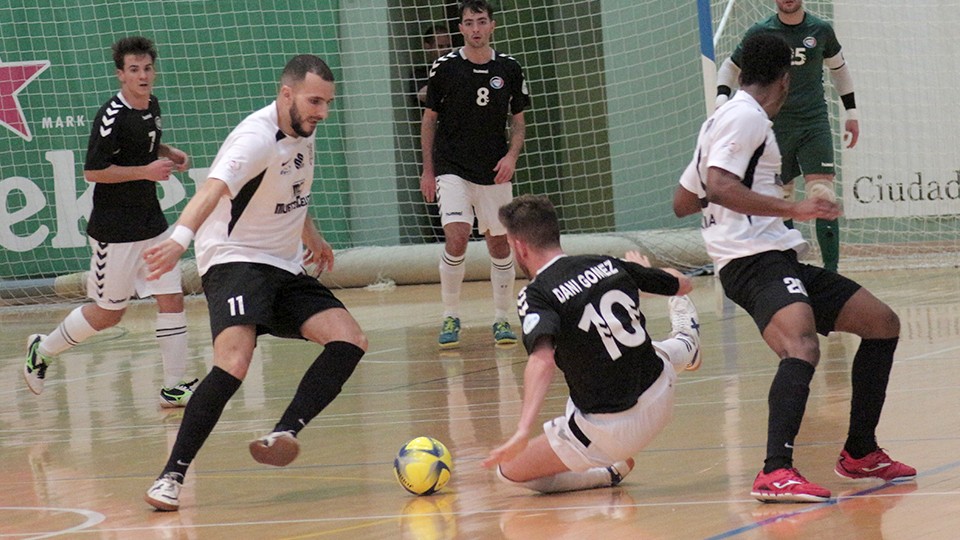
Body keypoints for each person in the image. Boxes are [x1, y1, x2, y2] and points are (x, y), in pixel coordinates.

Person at [675, 32, 914, 503]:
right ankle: (774, 471)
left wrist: (743, 202)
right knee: (801, 347)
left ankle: (860, 452)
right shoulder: (747, 118)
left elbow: (684, 200)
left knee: (881, 323)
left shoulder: (721, 119)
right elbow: (720, 187)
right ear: (785, 79)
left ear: (744, 73)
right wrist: (795, 209)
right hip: (751, 260)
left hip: (773, 254)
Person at [140, 54, 368, 512]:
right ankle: (171, 476)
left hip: (283, 264)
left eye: (327, 102)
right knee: (234, 362)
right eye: (314, 101)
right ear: (287, 95)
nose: (322, 111)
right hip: (235, 260)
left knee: (349, 339)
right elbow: (211, 189)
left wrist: (314, 237)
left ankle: (283, 432)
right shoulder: (254, 138)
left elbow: (291, 190)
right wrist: (179, 240)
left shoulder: (304, 129)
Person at [481, 194, 702, 493]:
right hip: (662, 390)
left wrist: (522, 430)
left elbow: (542, 360)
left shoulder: (537, 294)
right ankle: (687, 340)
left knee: (508, 473)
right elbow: (682, 284)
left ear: (519, 247)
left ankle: (607, 472)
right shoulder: (608, 263)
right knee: (633, 347)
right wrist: (645, 271)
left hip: (611, 433)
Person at [23, 36, 196, 408]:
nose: (143, 75)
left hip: (151, 223)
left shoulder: (152, 105)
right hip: (115, 231)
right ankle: (43, 349)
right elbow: (93, 172)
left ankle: (173, 386)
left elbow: (146, 141)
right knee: (108, 314)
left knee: (171, 297)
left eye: (147, 68)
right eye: (134, 70)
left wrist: (168, 152)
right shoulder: (110, 115)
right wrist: (146, 171)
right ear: (121, 74)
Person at [715, 0, 858, 272]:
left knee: (822, 193)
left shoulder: (820, 30)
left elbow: (840, 70)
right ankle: (789, 270)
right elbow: (731, 67)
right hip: (774, 126)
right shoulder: (760, 32)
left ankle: (832, 273)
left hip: (813, 124)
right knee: (782, 199)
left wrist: (852, 113)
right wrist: (722, 98)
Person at [420, 0, 530, 349]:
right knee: (457, 236)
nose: (476, 29)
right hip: (452, 167)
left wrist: (511, 156)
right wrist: (428, 171)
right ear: (461, 28)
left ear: (492, 25)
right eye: (469, 23)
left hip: (493, 170)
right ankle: (451, 315)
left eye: (482, 22)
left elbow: (519, 122)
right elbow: (429, 120)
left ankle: (502, 318)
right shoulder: (445, 67)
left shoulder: (509, 68)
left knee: (499, 243)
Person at [410, 24, 452, 107]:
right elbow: (423, 95)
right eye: (440, 46)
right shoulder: (420, 73)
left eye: (448, 46)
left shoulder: (458, 68)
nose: (446, 50)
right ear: (427, 47)